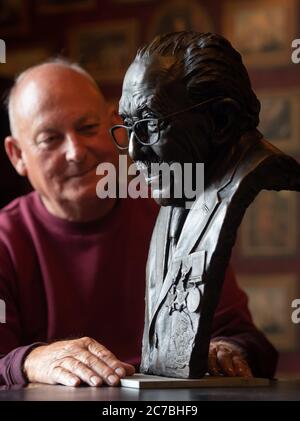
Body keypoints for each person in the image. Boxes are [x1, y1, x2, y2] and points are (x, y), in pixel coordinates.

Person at [0, 59, 277, 388]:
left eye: (88, 128)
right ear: (17, 155)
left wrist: (226, 352)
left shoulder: (177, 213)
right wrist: (30, 360)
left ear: (114, 124)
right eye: (50, 139)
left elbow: (248, 341)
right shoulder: (6, 241)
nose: (75, 152)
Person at [112, 32, 292, 378]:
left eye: (150, 123)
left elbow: (249, 339)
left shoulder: (226, 173)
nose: (134, 151)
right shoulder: (178, 188)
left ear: (221, 121)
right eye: (128, 126)